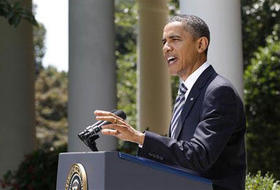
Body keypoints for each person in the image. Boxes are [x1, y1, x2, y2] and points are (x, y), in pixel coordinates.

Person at [94, 15, 246, 190]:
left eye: (175, 39)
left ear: (201, 44)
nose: (166, 48)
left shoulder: (218, 91)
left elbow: (199, 155)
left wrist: (139, 137)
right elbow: (179, 156)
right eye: (164, 42)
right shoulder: (186, 93)